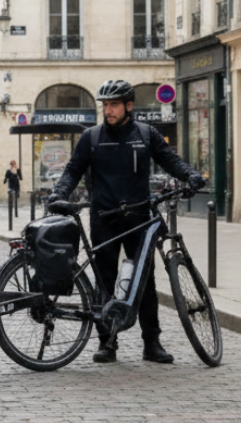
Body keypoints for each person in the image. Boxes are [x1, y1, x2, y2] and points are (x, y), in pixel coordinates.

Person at [47, 80, 206, 364]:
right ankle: (107, 343)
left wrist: (190, 176)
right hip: (103, 217)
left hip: (138, 217)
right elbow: (73, 170)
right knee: (105, 280)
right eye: (105, 105)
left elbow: (170, 160)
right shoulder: (91, 138)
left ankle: (152, 343)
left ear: (129, 106)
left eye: (114, 105)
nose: (108, 110)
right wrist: (58, 194)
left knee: (144, 281)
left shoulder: (146, 134)